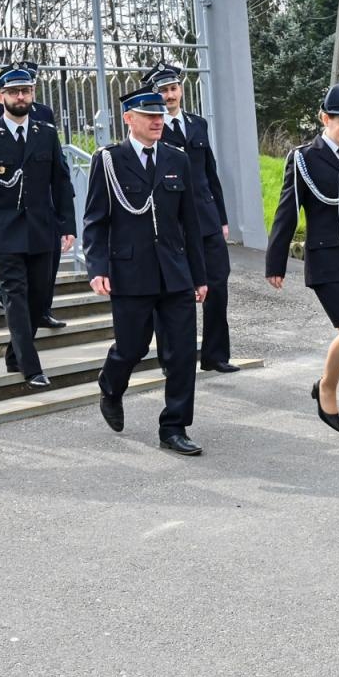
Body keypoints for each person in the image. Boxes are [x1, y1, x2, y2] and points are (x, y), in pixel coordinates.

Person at [84, 88, 208, 455]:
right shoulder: (108, 160)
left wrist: (200, 276)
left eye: (160, 115)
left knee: (183, 353)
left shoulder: (177, 159)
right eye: (149, 116)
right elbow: (95, 220)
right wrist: (97, 267)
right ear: (128, 118)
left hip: (174, 271)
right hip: (130, 270)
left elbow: (190, 222)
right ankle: (110, 385)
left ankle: (174, 427)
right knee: (131, 347)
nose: (158, 121)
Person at [266, 83, 339, 435]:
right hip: (327, 261)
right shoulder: (304, 157)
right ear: (324, 118)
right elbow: (287, 211)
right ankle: (326, 385)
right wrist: (275, 261)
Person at [0, 64, 76, 388]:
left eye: (25, 91)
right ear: (1, 97)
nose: (20, 96)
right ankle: (31, 367)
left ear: (32, 94)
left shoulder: (46, 134)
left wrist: (67, 225)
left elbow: (61, 181)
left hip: (43, 229)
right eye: (13, 92)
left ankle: (15, 353)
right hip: (4, 231)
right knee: (16, 295)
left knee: (40, 298)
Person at [146, 63, 237, 373]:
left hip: (207, 219)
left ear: (181, 90)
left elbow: (210, 172)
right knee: (172, 290)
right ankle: (171, 359)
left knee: (218, 287)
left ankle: (215, 355)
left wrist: (222, 217)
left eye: (173, 89)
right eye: (163, 90)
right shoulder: (152, 127)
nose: (169, 95)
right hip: (173, 223)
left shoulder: (197, 124)